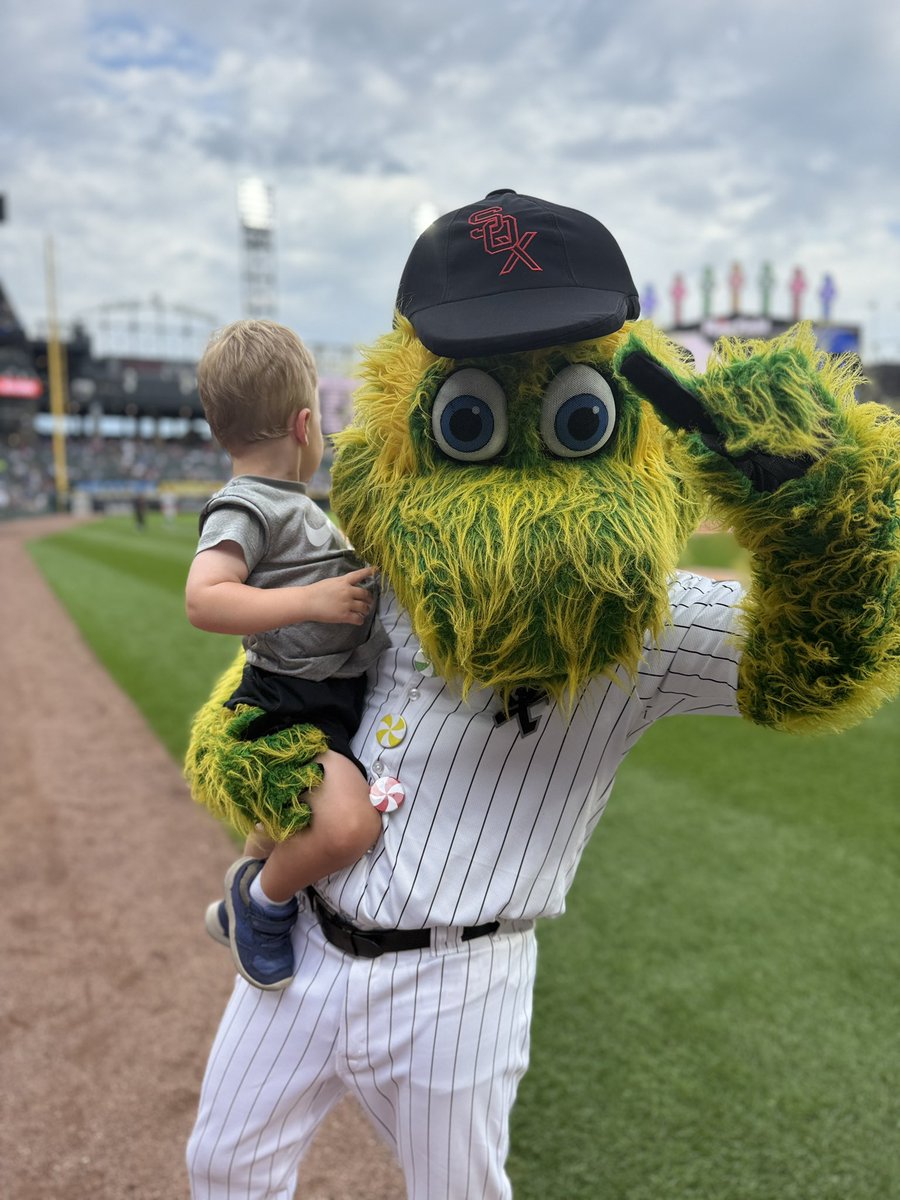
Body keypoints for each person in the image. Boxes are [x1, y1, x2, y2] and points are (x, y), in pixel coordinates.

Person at [185, 193, 900, 1198]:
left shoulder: (648, 621)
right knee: (223, 1163)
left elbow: (811, 661)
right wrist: (249, 746)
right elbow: (278, 678)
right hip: (297, 946)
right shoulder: (380, 572)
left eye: (577, 419)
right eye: (466, 419)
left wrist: (826, 525)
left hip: (456, 982)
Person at [185, 318, 389, 991]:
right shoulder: (245, 504)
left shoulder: (291, 504)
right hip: (287, 704)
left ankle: (246, 888)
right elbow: (205, 599)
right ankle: (262, 905)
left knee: (288, 824)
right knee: (348, 826)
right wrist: (313, 603)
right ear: (306, 427)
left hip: (332, 694)